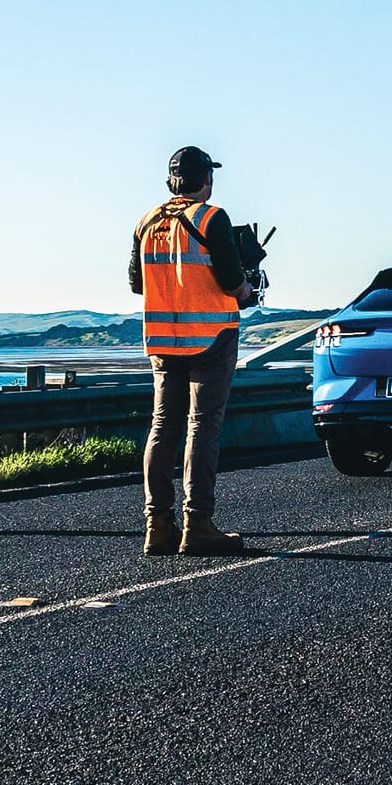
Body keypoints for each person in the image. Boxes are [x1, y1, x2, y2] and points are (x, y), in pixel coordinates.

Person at [128, 146, 258, 557]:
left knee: (163, 425)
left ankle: (157, 526)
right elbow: (231, 280)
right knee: (203, 427)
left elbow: (137, 284)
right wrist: (248, 290)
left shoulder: (146, 222)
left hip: (163, 341)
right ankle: (198, 523)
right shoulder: (211, 217)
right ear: (206, 180)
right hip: (212, 338)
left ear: (171, 181)